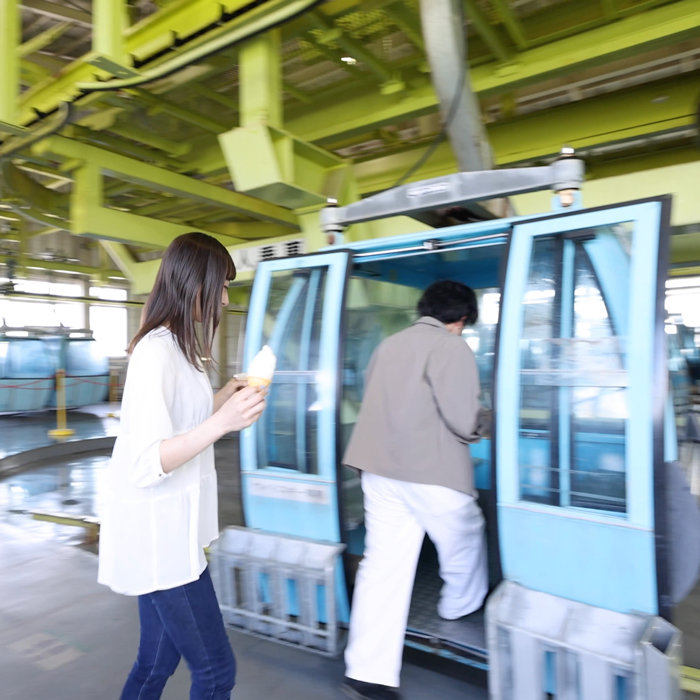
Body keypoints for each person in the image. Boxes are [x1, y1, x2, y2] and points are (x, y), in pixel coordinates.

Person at [98, 232, 267, 700]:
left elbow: (181, 423)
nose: (225, 300)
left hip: (175, 533)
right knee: (216, 673)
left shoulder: (181, 348)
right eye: (222, 287)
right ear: (194, 284)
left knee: (156, 661)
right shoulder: (156, 352)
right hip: (161, 539)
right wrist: (222, 423)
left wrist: (223, 399)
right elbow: (146, 462)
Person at [341, 280, 488, 700]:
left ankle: (366, 672)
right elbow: (463, 419)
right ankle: (458, 606)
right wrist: (487, 420)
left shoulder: (389, 345)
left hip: (379, 470)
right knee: (466, 536)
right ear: (461, 318)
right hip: (431, 472)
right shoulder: (451, 346)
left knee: (383, 567)